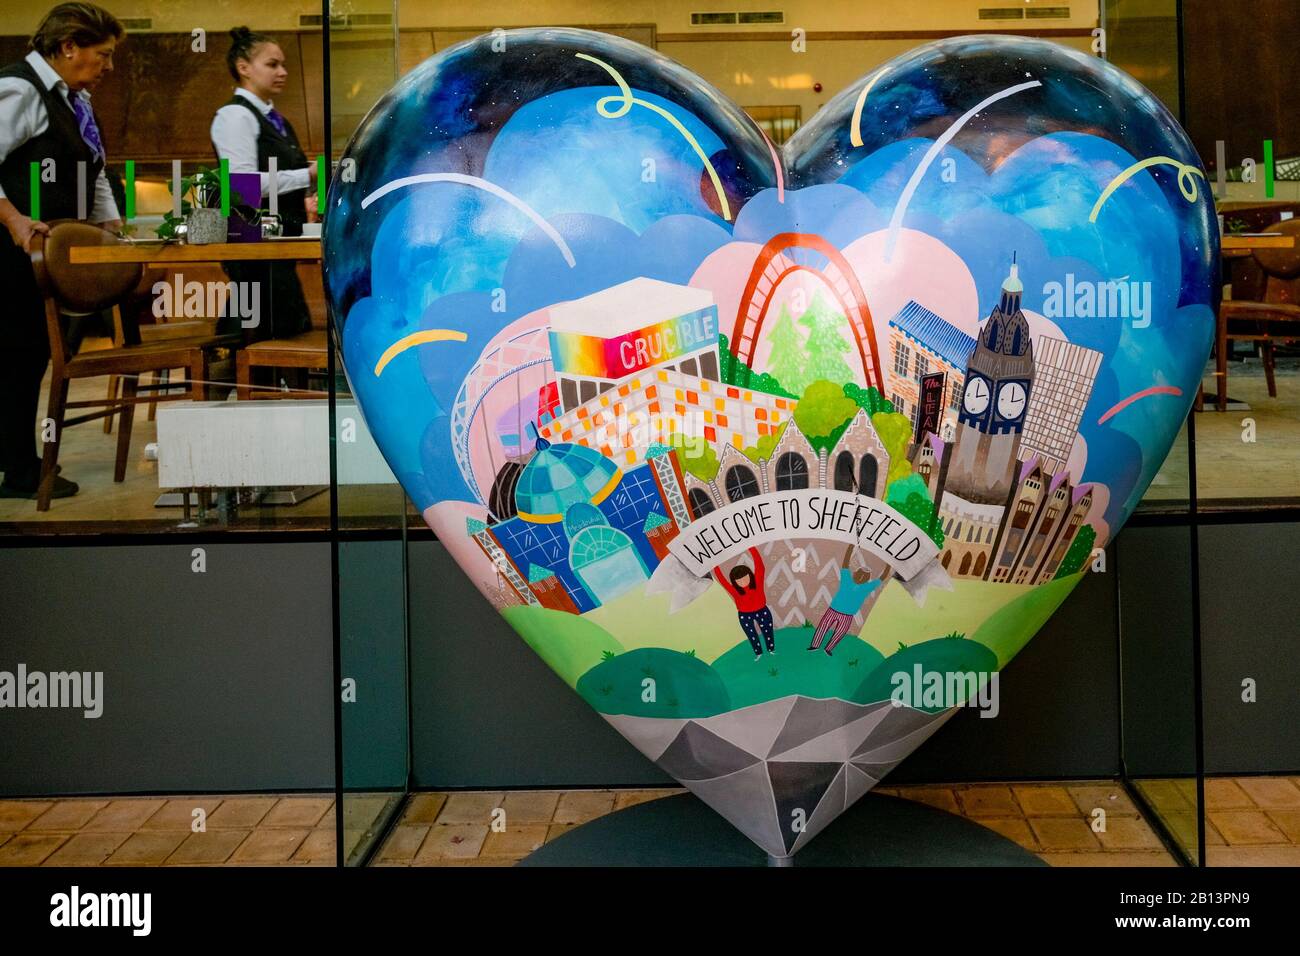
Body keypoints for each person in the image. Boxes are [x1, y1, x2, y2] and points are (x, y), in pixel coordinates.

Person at [0, 2, 124, 500]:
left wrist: (111, 224)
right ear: (68, 46)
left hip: (48, 253)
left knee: (33, 356)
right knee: (18, 355)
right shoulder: (19, 90)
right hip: (11, 250)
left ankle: (17, 462)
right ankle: (21, 471)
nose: (108, 67)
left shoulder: (76, 98)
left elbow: (91, 172)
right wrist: (12, 218)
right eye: (103, 55)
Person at [210, 26, 316, 343]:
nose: (282, 72)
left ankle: (241, 383)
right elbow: (241, 187)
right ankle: (227, 383)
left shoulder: (277, 120)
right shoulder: (234, 116)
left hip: (275, 243)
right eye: (272, 65)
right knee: (260, 332)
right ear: (243, 68)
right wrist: (307, 176)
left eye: (283, 64)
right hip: (252, 243)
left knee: (275, 328)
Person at [809, 543, 883, 656]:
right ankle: (815, 645)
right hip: (835, 610)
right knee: (824, 627)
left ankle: (827, 648)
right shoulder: (850, 581)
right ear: (855, 574)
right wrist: (850, 547)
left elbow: (881, 578)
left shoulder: (863, 586)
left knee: (839, 632)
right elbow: (845, 564)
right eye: (861, 575)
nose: (861, 577)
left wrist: (888, 566)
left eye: (864, 576)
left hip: (845, 614)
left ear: (866, 579)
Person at [713, 546, 776, 660]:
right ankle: (758, 653)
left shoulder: (757, 582)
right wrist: (715, 564)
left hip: (762, 611)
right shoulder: (735, 590)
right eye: (739, 580)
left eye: (745, 577)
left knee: (767, 631)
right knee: (751, 635)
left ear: (750, 576)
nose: (743, 581)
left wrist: (750, 546)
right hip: (745, 615)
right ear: (735, 582)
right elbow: (722, 580)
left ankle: (771, 650)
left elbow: (760, 566)